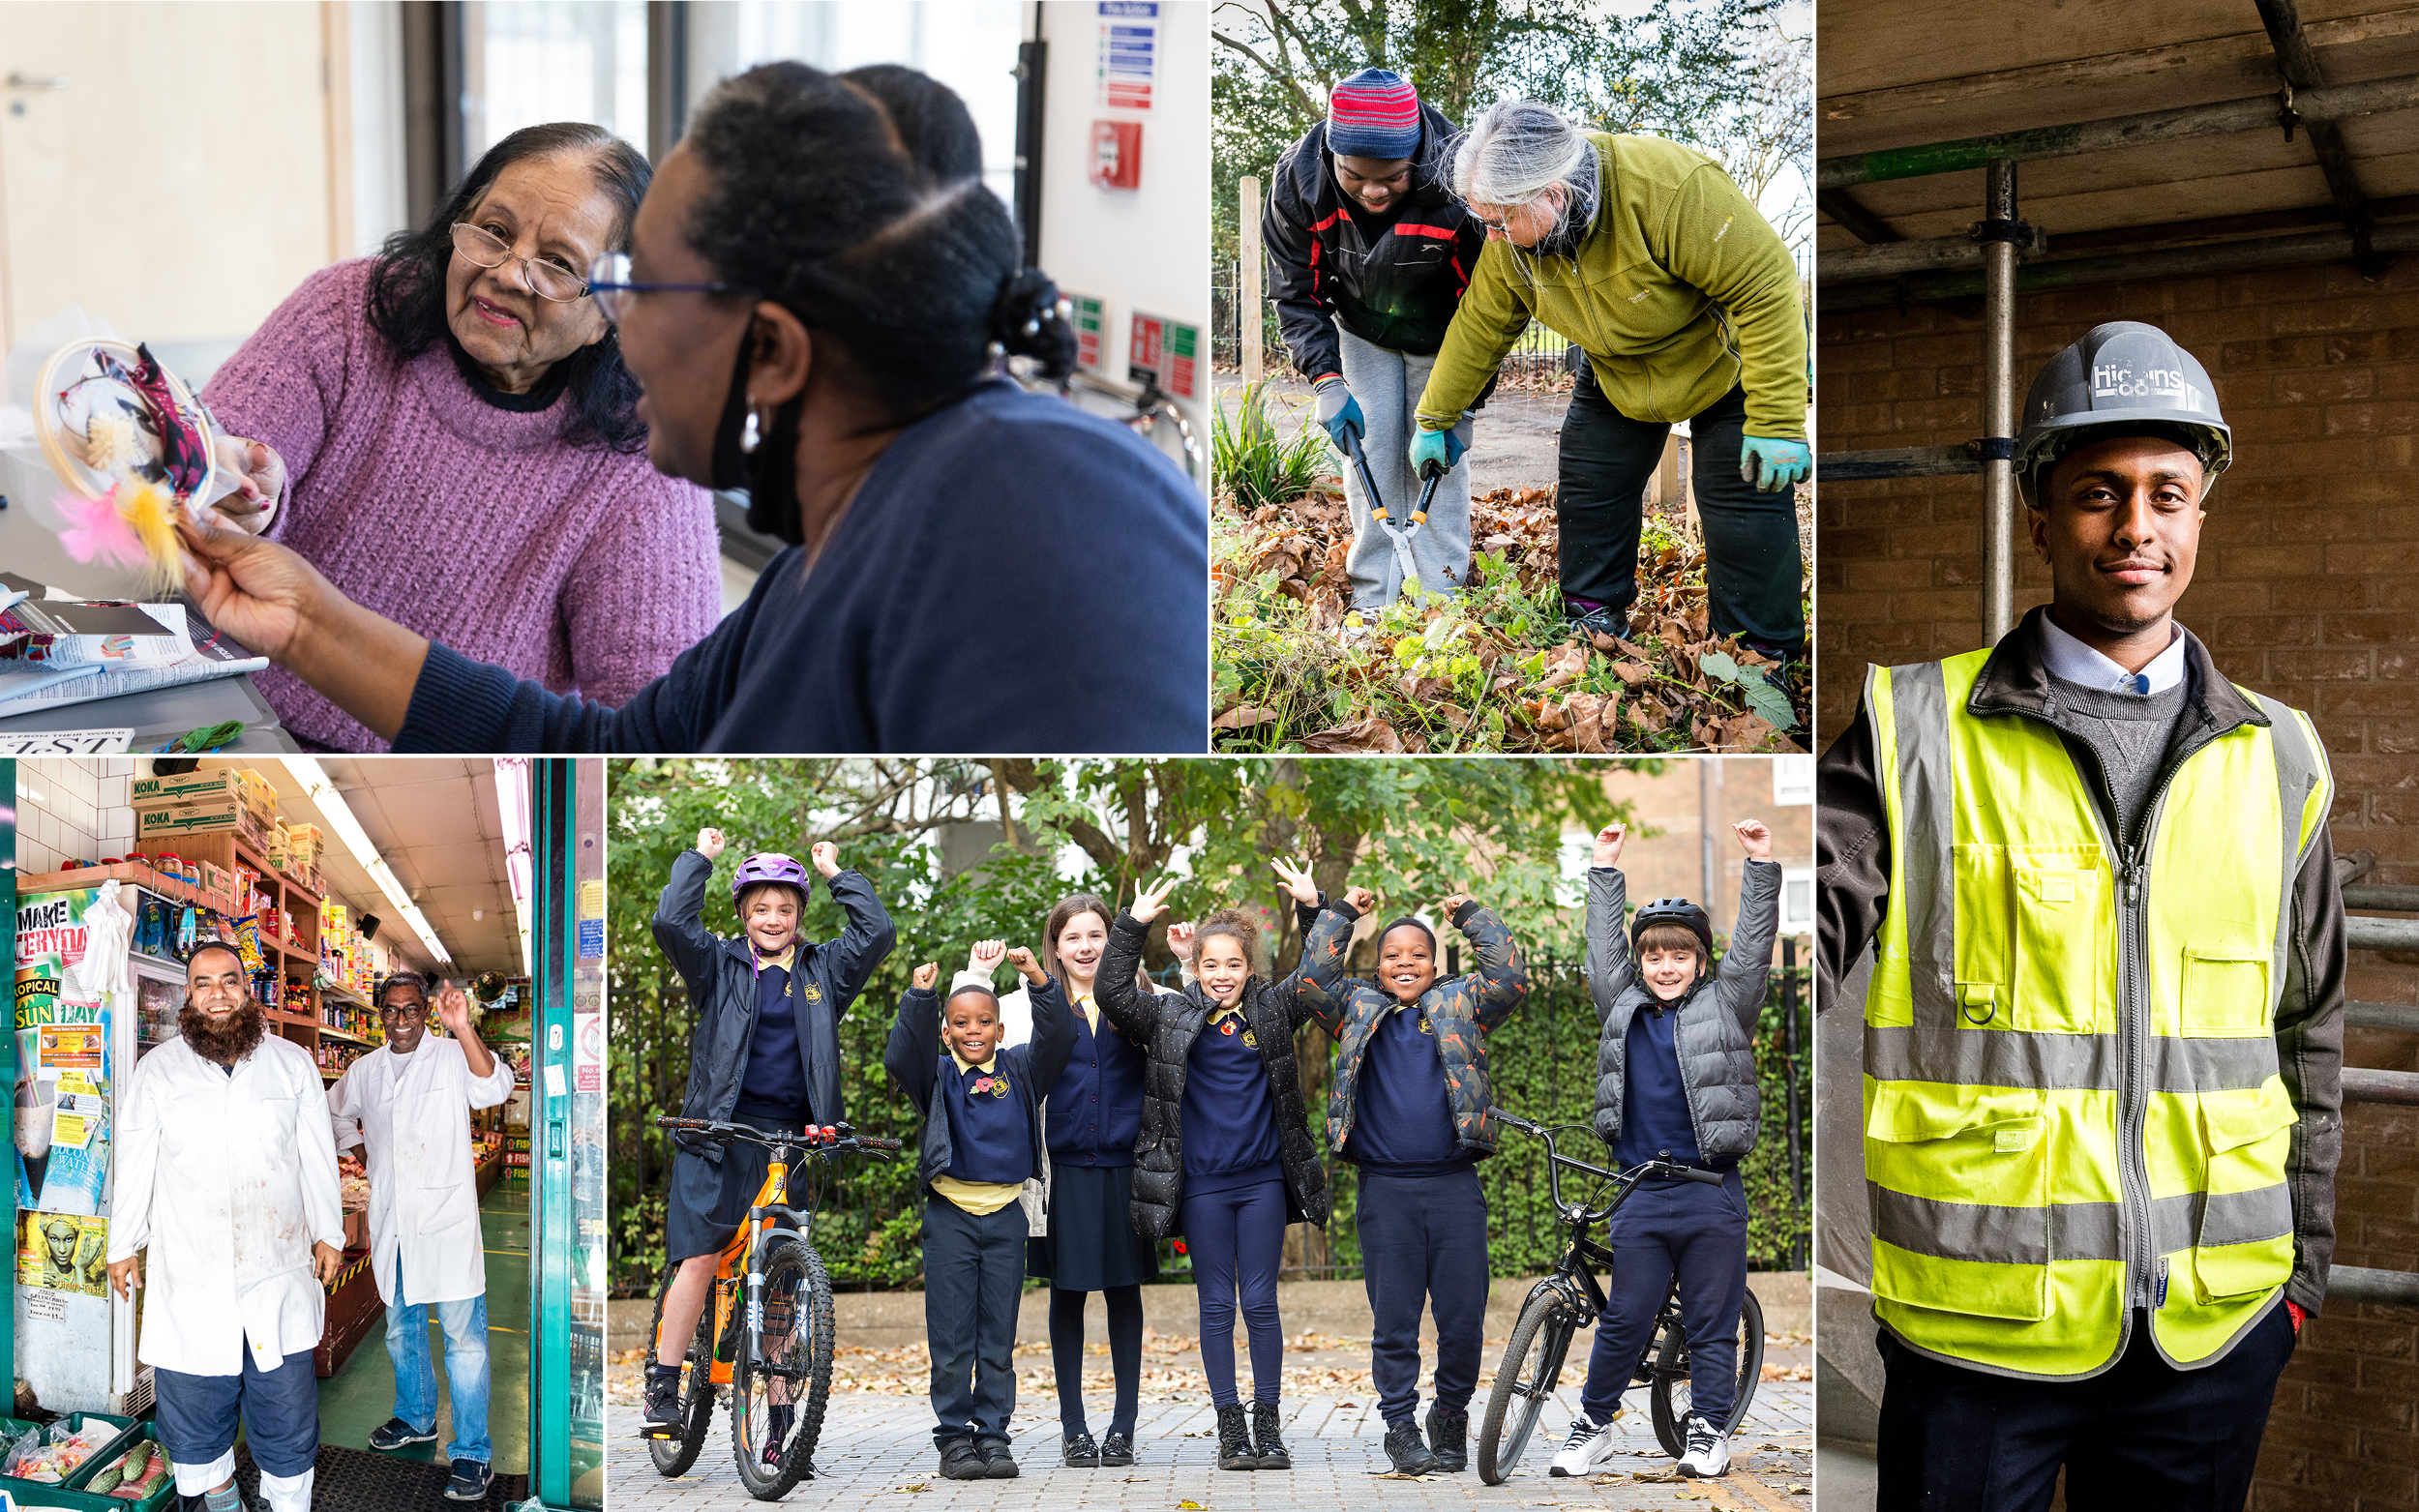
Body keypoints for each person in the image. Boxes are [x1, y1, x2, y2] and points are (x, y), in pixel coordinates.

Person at [174, 62, 1204, 753]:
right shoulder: (830, 547)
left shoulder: (1049, 505)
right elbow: (612, 754)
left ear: (769, 352)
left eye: (637, 286)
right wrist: (305, 621)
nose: (615, 323)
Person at [1817, 321, 2345, 1509]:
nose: (2136, 528)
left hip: (2214, 1334)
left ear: (2202, 510)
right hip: (1976, 1341)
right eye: (2099, 493)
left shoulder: (2283, 758)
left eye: (2168, 492)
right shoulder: (1912, 730)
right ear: (2041, 515)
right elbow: (1799, 945)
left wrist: (2298, 1276)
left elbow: (2310, 1028)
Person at [198, 124, 720, 752]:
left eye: (557, 263)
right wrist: (238, 486)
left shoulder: (647, 453)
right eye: (495, 232)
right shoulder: (347, 308)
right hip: (225, 706)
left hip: (424, 771)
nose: (506, 273)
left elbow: (658, 730)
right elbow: (219, 451)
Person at [1412, 100, 1807, 664]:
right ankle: (1590, 627)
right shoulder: (1513, 249)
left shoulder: (1668, 188)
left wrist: (1777, 421)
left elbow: (1765, 288)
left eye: (1500, 221)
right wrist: (1435, 417)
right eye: (1484, 223)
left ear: (1554, 193)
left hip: (1720, 365)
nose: (1492, 238)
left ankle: (1759, 655)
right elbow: (1481, 326)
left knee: (1740, 501)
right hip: (1614, 372)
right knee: (1590, 485)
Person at [641, 831, 896, 1451]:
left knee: (782, 1285)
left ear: (800, 915)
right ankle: (664, 1385)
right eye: (760, 909)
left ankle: (782, 1429)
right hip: (718, 1134)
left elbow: (877, 934)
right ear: (743, 915)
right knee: (700, 1257)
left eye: (785, 909)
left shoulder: (824, 971)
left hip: (789, 1140)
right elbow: (671, 921)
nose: (773, 919)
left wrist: (835, 870)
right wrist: (700, 859)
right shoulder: (719, 965)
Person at [1094, 872, 1356, 1472]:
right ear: (1195, 967)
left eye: (1233, 965)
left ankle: (1269, 1424)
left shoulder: (1271, 1010)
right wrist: (1133, 924)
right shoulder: (1169, 1017)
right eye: (1210, 965)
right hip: (1203, 1189)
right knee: (1216, 1306)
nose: (1221, 975)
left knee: (1261, 1302)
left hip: (1262, 1182)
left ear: (1249, 967)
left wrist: (1315, 908)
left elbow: (1318, 976)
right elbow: (1112, 991)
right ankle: (1230, 1428)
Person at [1282, 862, 1530, 1474]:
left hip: (1454, 1189)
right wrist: (1339, 914)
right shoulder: (1354, 1010)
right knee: (1394, 1321)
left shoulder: (1461, 1005)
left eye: (1417, 954)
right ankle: (1400, 1426)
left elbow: (1511, 980)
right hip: (1385, 1192)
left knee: (1463, 1320)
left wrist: (1473, 917)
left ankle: (1450, 1418)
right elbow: (1311, 980)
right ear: (1378, 964)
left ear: (1435, 964)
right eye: (1392, 954)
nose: (1405, 963)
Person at [1553, 819, 1779, 1480]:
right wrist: (1604, 866)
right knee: (1625, 1318)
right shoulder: (1620, 1005)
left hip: (1712, 1192)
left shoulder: (1728, 1003)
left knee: (1711, 1324)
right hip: (1642, 1190)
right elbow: (1601, 951)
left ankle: (1707, 1431)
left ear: (1702, 961)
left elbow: (1758, 945)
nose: (1666, 966)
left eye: (1680, 955)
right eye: (1654, 956)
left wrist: (1759, 862)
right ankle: (1593, 1426)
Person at [104, 942, 344, 1512]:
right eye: (204, 983)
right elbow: (134, 1163)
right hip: (191, 1277)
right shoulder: (158, 1071)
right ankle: (220, 1498)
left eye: (230, 981)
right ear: (188, 995)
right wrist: (123, 1245)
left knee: (287, 1424)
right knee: (192, 1426)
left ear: (248, 989)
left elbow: (317, 1157)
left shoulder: (292, 1064)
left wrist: (329, 1233)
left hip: (277, 1272)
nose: (218, 994)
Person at [960, 897, 1181, 1468]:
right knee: (1067, 1293)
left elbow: (1197, 1018)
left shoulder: (1145, 1002)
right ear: (1054, 947)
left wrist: (1183, 959)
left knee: (1124, 1292)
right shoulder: (1030, 1006)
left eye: (1097, 935)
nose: (1086, 947)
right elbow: (967, 1036)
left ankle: (1125, 1426)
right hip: (1061, 1173)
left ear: (1115, 940)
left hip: (1127, 1170)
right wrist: (977, 973)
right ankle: (1075, 1427)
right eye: (1072, 938)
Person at [1263, 68, 1489, 613]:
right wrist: (1326, 381)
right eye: (1354, 175)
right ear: (1332, 154)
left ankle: (1440, 593)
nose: (1373, 190)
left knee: (1437, 461)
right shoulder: (1299, 183)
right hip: (1361, 329)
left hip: (1445, 336)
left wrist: (1462, 405)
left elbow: (1489, 306)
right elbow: (1296, 294)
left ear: (1415, 154)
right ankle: (1374, 595)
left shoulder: (1461, 180)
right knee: (1372, 451)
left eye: (1390, 176)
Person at [883, 948, 1077, 1479]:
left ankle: (993, 1436)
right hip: (950, 1219)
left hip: (1004, 1220)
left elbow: (1059, 1038)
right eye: (961, 1023)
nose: (974, 1030)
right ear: (946, 1033)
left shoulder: (1020, 1069)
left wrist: (1039, 979)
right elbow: (903, 1055)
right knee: (951, 1341)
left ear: (1001, 1027)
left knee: (996, 1337)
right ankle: (954, 1442)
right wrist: (921, 998)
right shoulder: (939, 1076)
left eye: (985, 1021)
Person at [326, 971, 517, 1501]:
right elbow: (335, 1112)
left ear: (426, 1014)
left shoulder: (453, 1056)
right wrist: (361, 1153)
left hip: (446, 1224)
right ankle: (415, 1418)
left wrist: (464, 1027)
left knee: (467, 1345)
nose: (402, 1020)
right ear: (379, 1014)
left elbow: (495, 1087)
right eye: (391, 1010)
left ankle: (473, 1451)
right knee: (401, 1330)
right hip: (395, 1226)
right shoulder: (364, 1071)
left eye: (412, 1010)